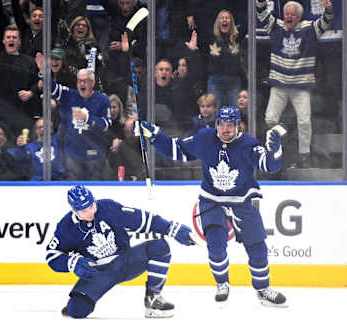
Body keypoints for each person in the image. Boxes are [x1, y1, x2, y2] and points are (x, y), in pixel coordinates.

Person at [134, 106, 288, 307]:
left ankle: (262, 289)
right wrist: (155, 135)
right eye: (222, 124)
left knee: (257, 246)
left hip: (242, 200)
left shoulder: (249, 144)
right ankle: (222, 283)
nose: (226, 129)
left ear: (238, 125)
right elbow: (178, 150)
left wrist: (275, 151)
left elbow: (270, 166)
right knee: (215, 246)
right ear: (216, 124)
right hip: (212, 200)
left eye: (230, 125)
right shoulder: (205, 138)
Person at [45, 185, 196, 318]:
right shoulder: (66, 227)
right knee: (77, 311)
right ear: (74, 209)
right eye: (84, 210)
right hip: (97, 273)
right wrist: (73, 263)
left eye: (91, 206)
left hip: (124, 261)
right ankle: (75, 306)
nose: (90, 212)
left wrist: (171, 228)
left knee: (160, 247)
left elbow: (141, 219)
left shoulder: (108, 208)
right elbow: (52, 256)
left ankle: (153, 298)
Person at [256, 0, 334, 168]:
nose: (288, 17)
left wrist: (328, 10)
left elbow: (325, 22)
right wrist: (261, 3)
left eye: (292, 14)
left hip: (301, 85)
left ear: (299, 16)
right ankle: (280, 142)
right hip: (279, 83)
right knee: (270, 119)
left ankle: (304, 154)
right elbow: (262, 15)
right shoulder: (276, 26)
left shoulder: (309, 29)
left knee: (304, 121)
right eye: (286, 14)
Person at [35, 52, 111, 180]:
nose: (82, 84)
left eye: (85, 81)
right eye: (79, 81)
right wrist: (43, 72)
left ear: (92, 83)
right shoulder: (69, 95)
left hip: (95, 155)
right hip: (73, 155)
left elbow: (106, 125)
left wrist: (87, 119)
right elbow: (52, 88)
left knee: (95, 188)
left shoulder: (102, 99)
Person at [205, 9, 247, 111]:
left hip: (234, 80)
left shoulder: (237, 36)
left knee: (234, 112)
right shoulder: (210, 37)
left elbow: (247, 23)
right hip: (215, 80)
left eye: (227, 18)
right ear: (218, 22)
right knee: (214, 111)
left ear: (231, 22)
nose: (224, 20)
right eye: (222, 18)